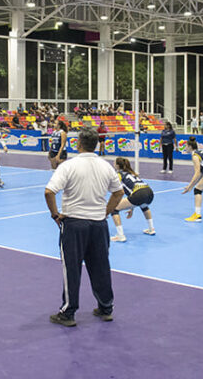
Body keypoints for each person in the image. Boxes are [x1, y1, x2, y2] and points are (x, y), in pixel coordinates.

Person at [44, 128, 123, 326]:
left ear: (79, 143)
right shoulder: (106, 167)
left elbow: (49, 192)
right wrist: (105, 212)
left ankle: (68, 312)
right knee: (101, 267)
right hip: (98, 224)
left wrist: (55, 215)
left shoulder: (68, 166)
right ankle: (106, 308)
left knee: (72, 268)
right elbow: (118, 193)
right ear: (96, 144)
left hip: (74, 223)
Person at [109, 157, 155, 242]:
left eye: (114, 163)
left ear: (118, 166)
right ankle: (151, 229)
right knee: (144, 206)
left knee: (114, 209)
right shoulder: (132, 173)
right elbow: (132, 192)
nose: (113, 164)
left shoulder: (118, 174)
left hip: (139, 194)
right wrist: (131, 208)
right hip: (149, 192)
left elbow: (116, 188)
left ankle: (120, 236)